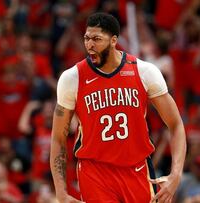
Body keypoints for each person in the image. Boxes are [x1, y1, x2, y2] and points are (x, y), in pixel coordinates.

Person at [50, 12, 186, 203]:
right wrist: (61, 193)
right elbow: (58, 138)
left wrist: (176, 175)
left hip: (137, 170)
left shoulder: (144, 71)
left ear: (114, 40)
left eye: (97, 39)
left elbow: (176, 125)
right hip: (95, 172)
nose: (89, 44)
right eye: (87, 38)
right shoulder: (71, 78)